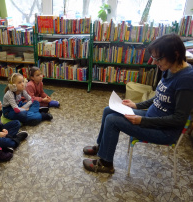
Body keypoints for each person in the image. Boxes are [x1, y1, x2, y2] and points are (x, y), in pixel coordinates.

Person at [82, 33, 193, 174]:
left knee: (112, 121)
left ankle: (105, 163)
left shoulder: (186, 80)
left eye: (158, 58)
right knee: (108, 110)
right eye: (154, 58)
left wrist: (143, 121)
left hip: (164, 131)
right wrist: (136, 105)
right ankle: (102, 147)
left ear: (175, 54)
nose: (154, 62)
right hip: (151, 117)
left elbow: (178, 119)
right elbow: (160, 96)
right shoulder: (171, 68)